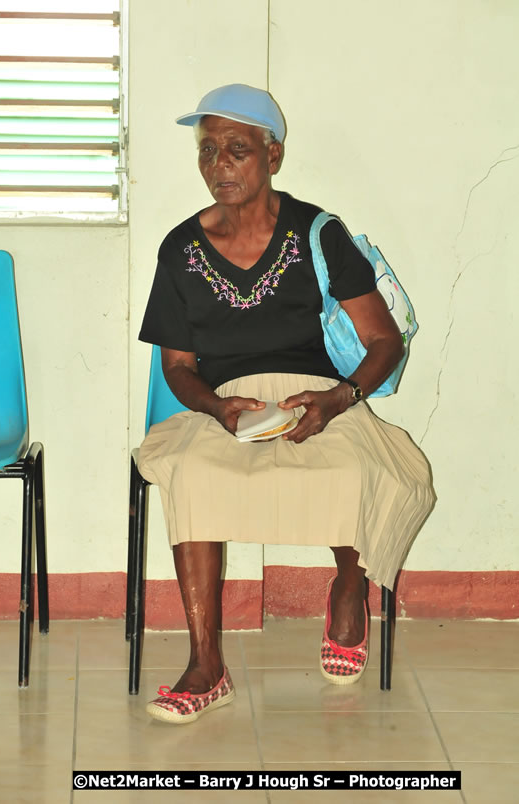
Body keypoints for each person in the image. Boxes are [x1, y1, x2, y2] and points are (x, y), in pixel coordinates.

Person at [138, 84, 435, 724]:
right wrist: (220, 411)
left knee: (358, 470)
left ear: (273, 155)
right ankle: (206, 665)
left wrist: (338, 398)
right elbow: (178, 368)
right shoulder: (179, 251)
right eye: (208, 150)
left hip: (320, 397)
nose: (219, 164)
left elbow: (383, 340)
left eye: (237, 150)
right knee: (188, 472)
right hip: (225, 405)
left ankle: (350, 591)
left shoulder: (318, 234)